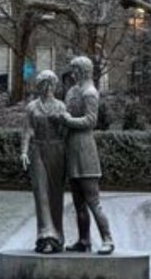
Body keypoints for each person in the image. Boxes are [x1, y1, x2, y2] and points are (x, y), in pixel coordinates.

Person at [60, 56, 114, 255]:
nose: (72, 73)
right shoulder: (73, 91)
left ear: (83, 71)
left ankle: (108, 239)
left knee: (93, 201)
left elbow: (91, 121)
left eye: (75, 70)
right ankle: (84, 240)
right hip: (72, 148)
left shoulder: (90, 93)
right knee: (78, 202)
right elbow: (65, 113)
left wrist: (67, 120)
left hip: (85, 150)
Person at [20, 70, 67, 254]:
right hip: (38, 150)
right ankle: (46, 235)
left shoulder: (61, 106)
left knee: (56, 194)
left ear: (55, 86)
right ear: (39, 87)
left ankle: (58, 236)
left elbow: (67, 132)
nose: (47, 88)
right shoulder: (32, 107)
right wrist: (24, 152)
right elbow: (27, 130)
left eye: (51, 84)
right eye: (44, 84)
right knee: (41, 194)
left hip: (57, 150)